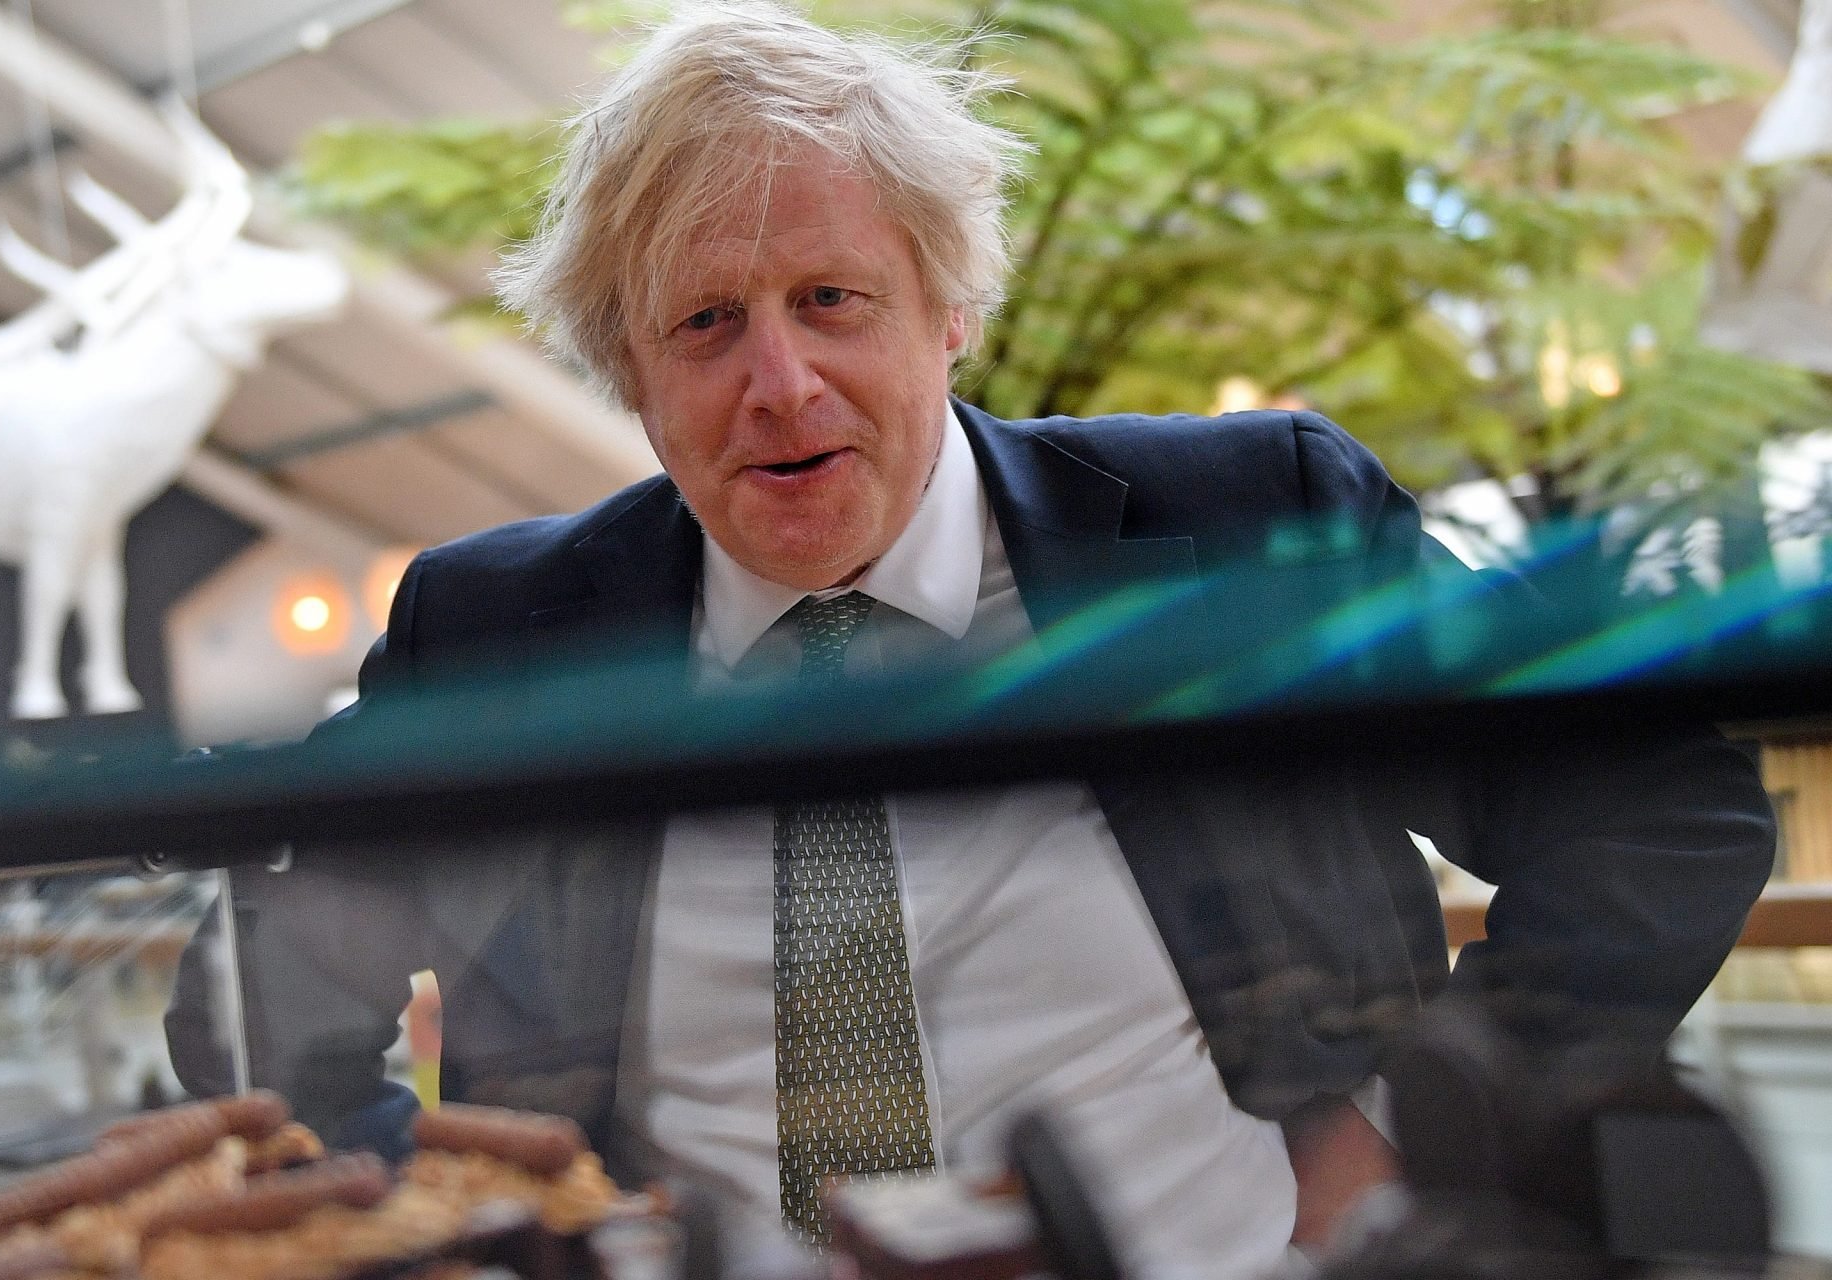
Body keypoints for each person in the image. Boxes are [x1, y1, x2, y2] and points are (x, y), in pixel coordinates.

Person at [169, 6, 1776, 1277]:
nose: (779, 381)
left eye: (833, 299)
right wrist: (455, 1229)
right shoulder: (496, 634)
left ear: (949, 309)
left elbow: (1656, 807)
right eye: (706, 323)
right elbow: (252, 1001)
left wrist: (1428, 1127)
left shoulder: (1243, 531)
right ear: (632, 376)